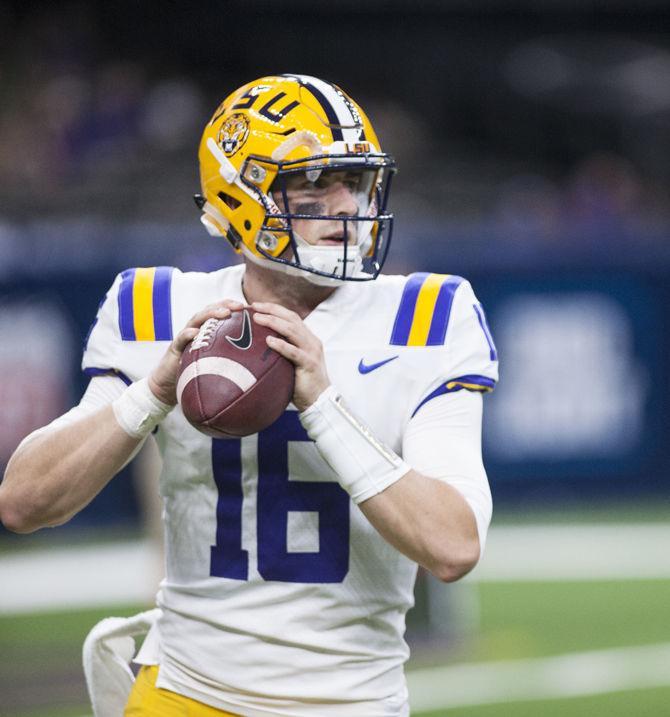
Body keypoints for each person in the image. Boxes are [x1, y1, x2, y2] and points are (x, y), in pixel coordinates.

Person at [0, 74, 498, 717]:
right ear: (241, 197)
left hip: (352, 702)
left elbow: (454, 546)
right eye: (315, 183)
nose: (347, 204)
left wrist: (323, 405)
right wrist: (152, 391)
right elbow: (23, 502)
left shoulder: (427, 315)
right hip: (186, 692)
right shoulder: (160, 307)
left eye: (355, 180)